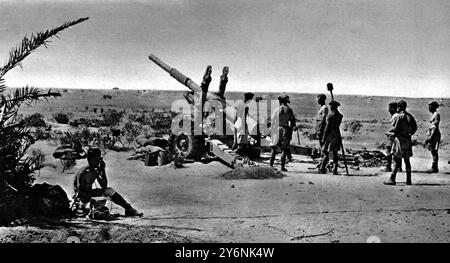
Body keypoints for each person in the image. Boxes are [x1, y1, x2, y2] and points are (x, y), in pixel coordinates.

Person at [73, 148, 143, 216]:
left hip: (87, 195)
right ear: (91, 160)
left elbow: (104, 187)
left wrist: (102, 170)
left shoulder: (93, 169)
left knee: (109, 191)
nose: (98, 162)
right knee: (102, 200)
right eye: (97, 160)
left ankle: (129, 208)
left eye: (99, 159)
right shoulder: (86, 172)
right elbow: (81, 191)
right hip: (81, 198)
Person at [384, 100, 417, 186]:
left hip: (399, 140)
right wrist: (409, 134)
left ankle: (392, 179)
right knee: (407, 161)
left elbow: (394, 129)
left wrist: (390, 133)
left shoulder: (397, 116)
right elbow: (414, 128)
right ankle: (408, 180)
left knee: (396, 160)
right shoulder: (410, 116)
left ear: (398, 107)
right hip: (407, 140)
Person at [270, 93, 296, 171]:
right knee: (284, 148)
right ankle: (282, 166)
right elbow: (292, 123)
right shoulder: (289, 110)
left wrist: (272, 131)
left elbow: (273, 121)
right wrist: (290, 133)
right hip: (285, 129)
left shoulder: (276, 110)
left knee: (274, 148)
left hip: (277, 129)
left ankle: (271, 165)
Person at [319, 100, 343, 175]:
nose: (330, 107)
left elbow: (327, 127)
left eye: (331, 106)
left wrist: (323, 137)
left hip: (330, 135)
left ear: (332, 106)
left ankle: (322, 168)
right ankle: (335, 169)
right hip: (337, 134)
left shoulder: (330, 115)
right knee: (335, 153)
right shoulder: (340, 115)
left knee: (326, 152)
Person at [381, 102, 401, 172]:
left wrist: (389, 132)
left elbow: (395, 127)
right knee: (396, 151)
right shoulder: (396, 115)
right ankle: (398, 167)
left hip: (392, 136)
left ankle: (389, 166)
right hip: (394, 136)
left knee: (389, 150)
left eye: (390, 108)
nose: (388, 110)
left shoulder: (395, 116)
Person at [425, 101, 441, 173]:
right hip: (432, 133)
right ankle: (434, 167)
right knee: (432, 151)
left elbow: (435, 127)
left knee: (434, 151)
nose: (429, 108)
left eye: (430, 106)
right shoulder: (434, 114)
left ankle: (434, 167)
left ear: (434, 107)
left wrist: (430, 137)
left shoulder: (436, 115)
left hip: (434, 134)